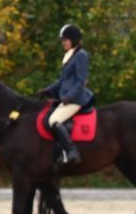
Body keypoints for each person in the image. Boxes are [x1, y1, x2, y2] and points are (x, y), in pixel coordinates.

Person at [37, 24, 94, 165]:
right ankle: (59, 152)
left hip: (75, 99)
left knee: (54, 121)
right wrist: (47, 90)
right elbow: (62, 81)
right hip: (65, 98)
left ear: (73, 40)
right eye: (62, 40)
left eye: (65, 40)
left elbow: (81, 81)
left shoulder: (81, 56)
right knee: (48, 117)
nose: (63, 43)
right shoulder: (70, 56)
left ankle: (72, 151)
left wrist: (69, 96)